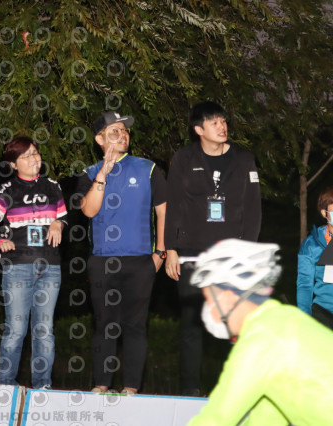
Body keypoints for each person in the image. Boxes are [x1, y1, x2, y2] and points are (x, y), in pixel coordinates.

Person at [164, 101, 261, 396]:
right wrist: (170, 249)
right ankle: (190, 391)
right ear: (199, 129)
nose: (222, 126)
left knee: (232, 326)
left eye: (223, 120)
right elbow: (174, 205)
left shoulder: (244, 159)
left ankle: (233, 392)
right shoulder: (183, 158)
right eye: (214, 122)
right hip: (191, 255)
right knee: (192, 326)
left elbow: (253, 210)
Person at [187, 238, 333, 425]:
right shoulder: (285, 320)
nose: (208, 311)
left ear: (228, 297)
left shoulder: (261, 339)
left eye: (208, 300)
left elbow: (215, 420)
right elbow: (266, 417)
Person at [77, 111, 167, 395]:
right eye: (114, 131)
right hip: (103, 260)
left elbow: (163, 211)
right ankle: (101, 385)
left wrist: (160, 252)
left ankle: (131, 389)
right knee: (104, 324)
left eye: (125, 131)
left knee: (135, 325)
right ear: (99, 139)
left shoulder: (148, 168)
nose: (122, 135)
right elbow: (89, 210)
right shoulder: (89, 173)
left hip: (141, 260)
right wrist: (102, 175)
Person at [0, 136, 67, 389]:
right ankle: (6, 386)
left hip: (50, 266)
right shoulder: (6, 190)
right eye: (26, 155)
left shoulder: (53, 186)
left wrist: (59, 223)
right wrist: (0, 240)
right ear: (13, 164)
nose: (34, 158)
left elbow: (64, 217)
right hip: (18, 265)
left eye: (35, 153)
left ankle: (43, 387)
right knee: (16, 329)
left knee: (45, 330)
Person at [296, 187, 333, 330]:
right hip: (323, 313)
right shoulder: (311, 245)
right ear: (325, 213)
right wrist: (304, 320)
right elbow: (305, 285)